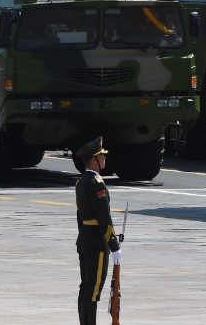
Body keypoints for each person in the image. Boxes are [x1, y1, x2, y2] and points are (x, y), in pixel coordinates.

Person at [74, 137, 122, 325]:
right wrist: (114, 244)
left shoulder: (80, 183)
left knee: (85, 287)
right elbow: (104, 219)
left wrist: (82, 237)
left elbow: (80, 216)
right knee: (93, 290)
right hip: (96, 242)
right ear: (94, 159)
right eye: (101, 156)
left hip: (85, 239)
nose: (104, 159)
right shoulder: (97, 183)